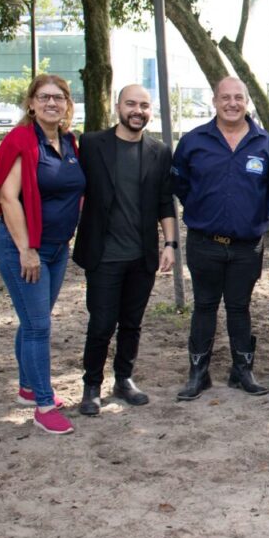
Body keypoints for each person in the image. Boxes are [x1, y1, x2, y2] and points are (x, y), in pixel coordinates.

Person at [0, 74, 85, 435]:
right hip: (24, 249)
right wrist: (26, 249)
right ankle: (43, 404)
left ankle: (28, 388)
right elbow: (7, 197)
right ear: (31, 103)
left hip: (58, 248)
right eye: (43, 97)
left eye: (58, 98)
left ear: (67, 104)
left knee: (34, 320)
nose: (51, 103)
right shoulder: (21, 141)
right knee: (39, 327)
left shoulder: (70, 143)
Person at [72, 84, 177, 415]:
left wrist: (171, 244)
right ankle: (91, 386)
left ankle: (124, 379)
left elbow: (165, 202)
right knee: (102, 324)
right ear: (118, 106)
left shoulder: (159, 151)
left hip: (142, 256)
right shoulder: (90, 145)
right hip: (103, 255)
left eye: (144, 105)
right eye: (131, 104)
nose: (138, 110)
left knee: (132, 323)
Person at [173, 77, 269, 401]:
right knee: (203, 306)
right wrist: (205, 210)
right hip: (204, 242)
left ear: (247, 101)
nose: (232, 103)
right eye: (225, 97)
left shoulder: (266, 144)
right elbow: (180, 185)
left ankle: (241, 371)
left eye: (238, 98)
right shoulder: (193, 142)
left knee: (240, 307)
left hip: (247, 247)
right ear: (214, 101)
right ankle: (198, 373)